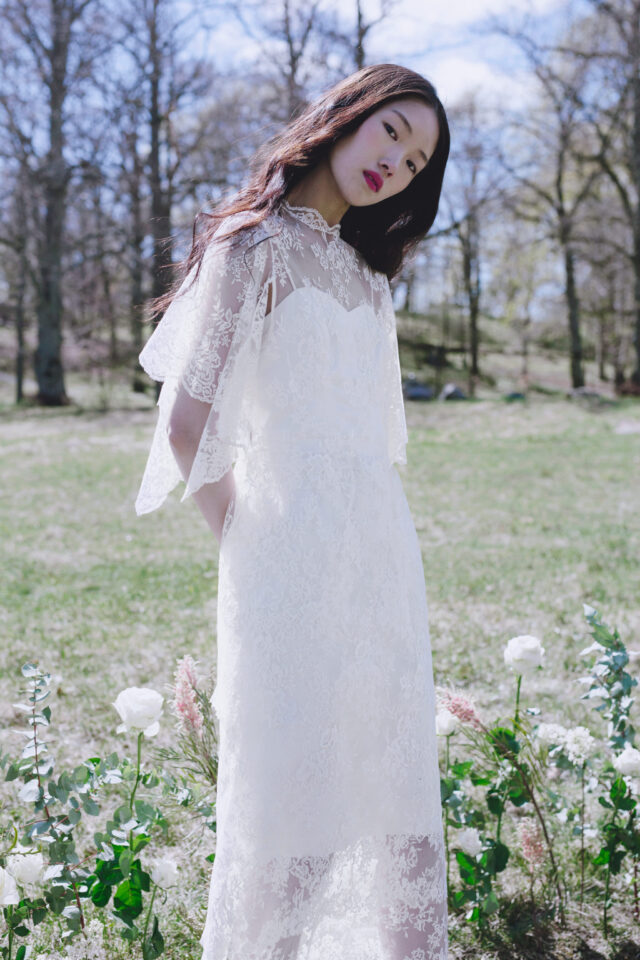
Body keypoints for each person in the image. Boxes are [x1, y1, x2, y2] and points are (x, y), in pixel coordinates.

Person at [135, 62, 450, 960]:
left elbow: (370, 445)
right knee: (290, 808)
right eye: (393, 131)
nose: (400, 162)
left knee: (391, 788)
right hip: (283, 560)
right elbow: (188, 425)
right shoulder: (253, 249)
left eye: (419, 158)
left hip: (382, 559)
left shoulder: (368, 280)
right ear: (346, 116)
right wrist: (248, 539)